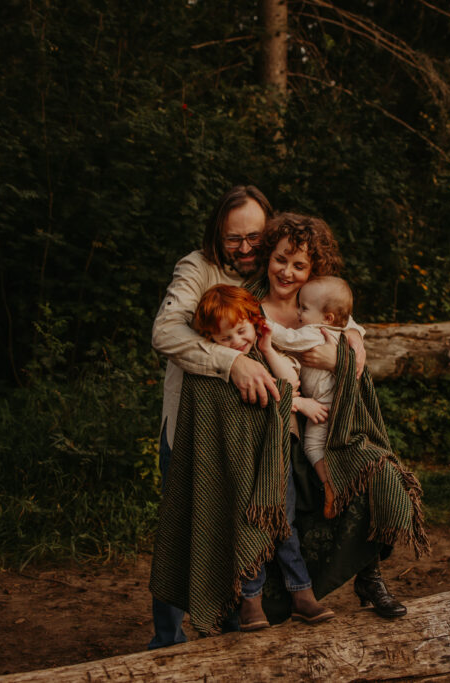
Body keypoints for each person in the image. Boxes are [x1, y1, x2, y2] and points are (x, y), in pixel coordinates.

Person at [248, 213, 425, 620]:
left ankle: (370, 575)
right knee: (286, 493)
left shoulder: (318, 303)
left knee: (374, 474)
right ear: (267, 258)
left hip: (333, 421)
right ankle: (277, 596)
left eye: (299, 265)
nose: (287, 272)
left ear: (313, 271)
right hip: (280, 425)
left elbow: (347, 333)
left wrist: (348, 348)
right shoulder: (252, 303)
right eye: (280, 260)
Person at [148, 184, 276, 649]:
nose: (245, 249)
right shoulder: (196, 268)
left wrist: (356, 333)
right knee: (183, 526)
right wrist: (231, 362)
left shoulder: (278, 265)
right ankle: (166, 645)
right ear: (216, 235)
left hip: (259, 433)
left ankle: (236, 637)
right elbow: (165, 331)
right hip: (192, 429)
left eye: (254, 237)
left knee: (253, 525)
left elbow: (326, 305)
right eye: (233, 239)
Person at [190, 284, 334, 630]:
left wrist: (267, 347)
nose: (237, 341)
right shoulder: (220, 368)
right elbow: (275, 399)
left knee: (284, 527)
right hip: (241, 464)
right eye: (226, 339)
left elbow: (288, 381)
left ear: (255, 323)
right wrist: (298, 404)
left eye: (242, 331)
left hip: (275, 461)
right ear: (212, 341)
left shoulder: (260, 354)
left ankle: (302, 594)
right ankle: (250, 602)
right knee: (248, 526)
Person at [267, 276, 355, 519]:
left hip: (324, 405)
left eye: (304, 308)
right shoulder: (337, 332)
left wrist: (261, 322)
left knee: (313, 446)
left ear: (326, 317)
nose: (298, 313)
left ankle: (331, 485)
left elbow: (285, 338)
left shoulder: (315, 332)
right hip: (334, 401)